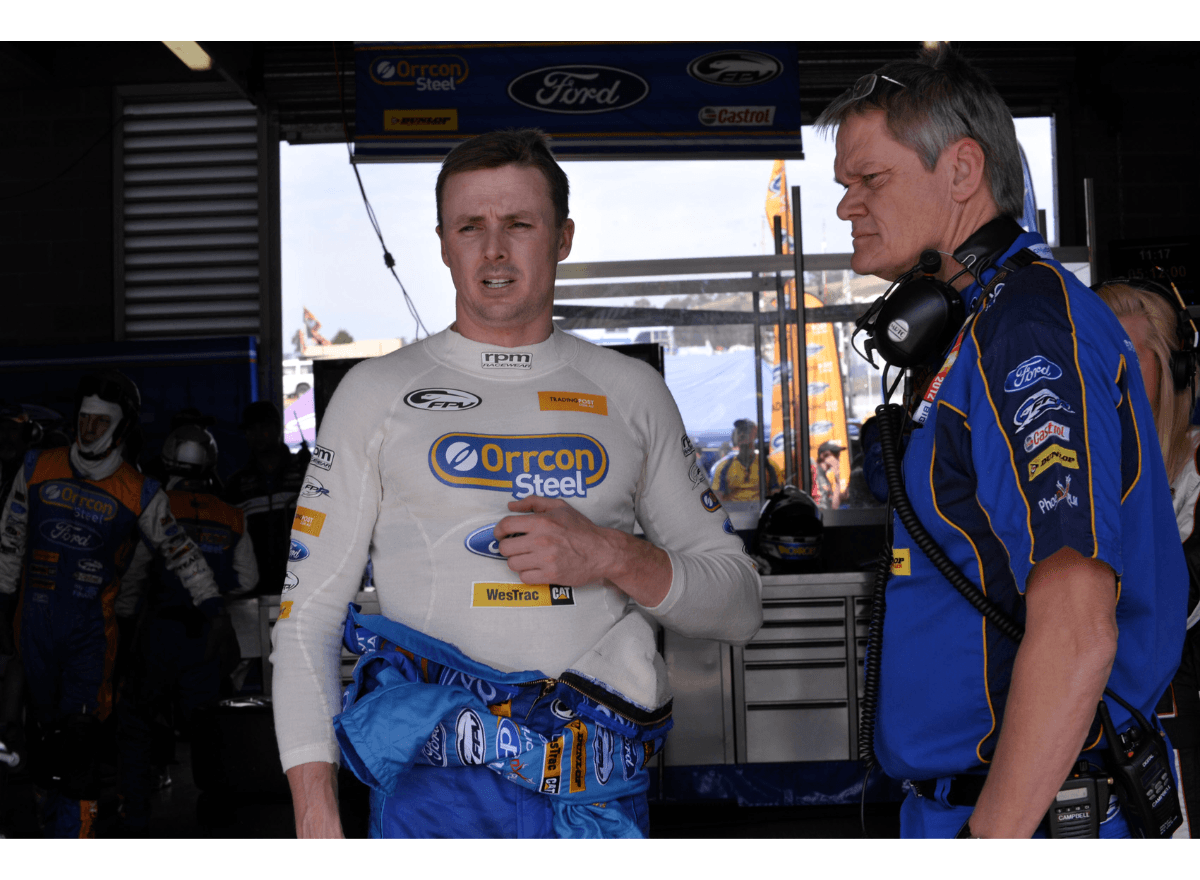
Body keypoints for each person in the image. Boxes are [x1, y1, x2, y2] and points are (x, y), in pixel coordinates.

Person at [270, 128, 763, 839]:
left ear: (562, 237)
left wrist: (613, 557)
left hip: (593, 799)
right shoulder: (374, 394)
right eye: (471, 226)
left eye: (519, 225)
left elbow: (739, 605)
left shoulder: (631, 392)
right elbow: (306, 618)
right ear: (443, 242)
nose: (494, 251)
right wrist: (316, 821)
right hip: (431, 801)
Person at [815, 44, 1186, 838]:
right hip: (983, 808)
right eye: (844, 185)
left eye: (868, 180)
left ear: (961, 171)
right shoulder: (975, 328)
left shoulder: (1025, 332)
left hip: (1030, 818)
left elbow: (1079, 621)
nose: (847, 206)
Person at [0, 370, 225, 838]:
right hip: (32, 627)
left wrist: (210, 604)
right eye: (83, 420)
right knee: (42, 745)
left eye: (100, 424)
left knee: (80, 744)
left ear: (120, 428)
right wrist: (2, 598)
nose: (88, 431)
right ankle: (45, 830)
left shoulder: (140, 491)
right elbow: (10, 539)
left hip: (90, 636)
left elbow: (179, 550)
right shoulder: (35, 467)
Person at [1095, 278, 1200, 836]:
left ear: (1172, 373)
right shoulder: (1071, 483)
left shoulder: (1194, 474)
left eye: (1129, 361)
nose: (1111, 380)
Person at [116, 423, 257, 834]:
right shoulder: (232, 513)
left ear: (169, 459)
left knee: (137, 723)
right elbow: (248, 578)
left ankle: (136, 820)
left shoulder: (156, 505)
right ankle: (217, 823)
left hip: (158, 633)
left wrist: (124, 622)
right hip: (206, 638)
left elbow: (135, 574)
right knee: (208, 733)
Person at [223, 400, 307, 596]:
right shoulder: (235, 484)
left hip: (302, 585)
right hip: (255, 589)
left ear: (277, 428)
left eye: (264, 427)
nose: (257, 434)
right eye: (251, 429)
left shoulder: (305, 473)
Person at [709, 418, 783, 505]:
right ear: (734, 437)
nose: (742, 434)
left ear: (755, 435)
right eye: (739, 431)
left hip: (761, 514)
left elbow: (777, 497)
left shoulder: (769, 465)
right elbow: (717, 500)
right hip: (734, 515)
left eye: (746, 430)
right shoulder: (723, 467)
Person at [814, 440, 845, 510]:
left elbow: (834, 507)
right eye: (836, 455)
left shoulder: (825, 478)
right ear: (824, 455)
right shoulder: (813, 471)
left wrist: (837, 481)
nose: (838, 459)